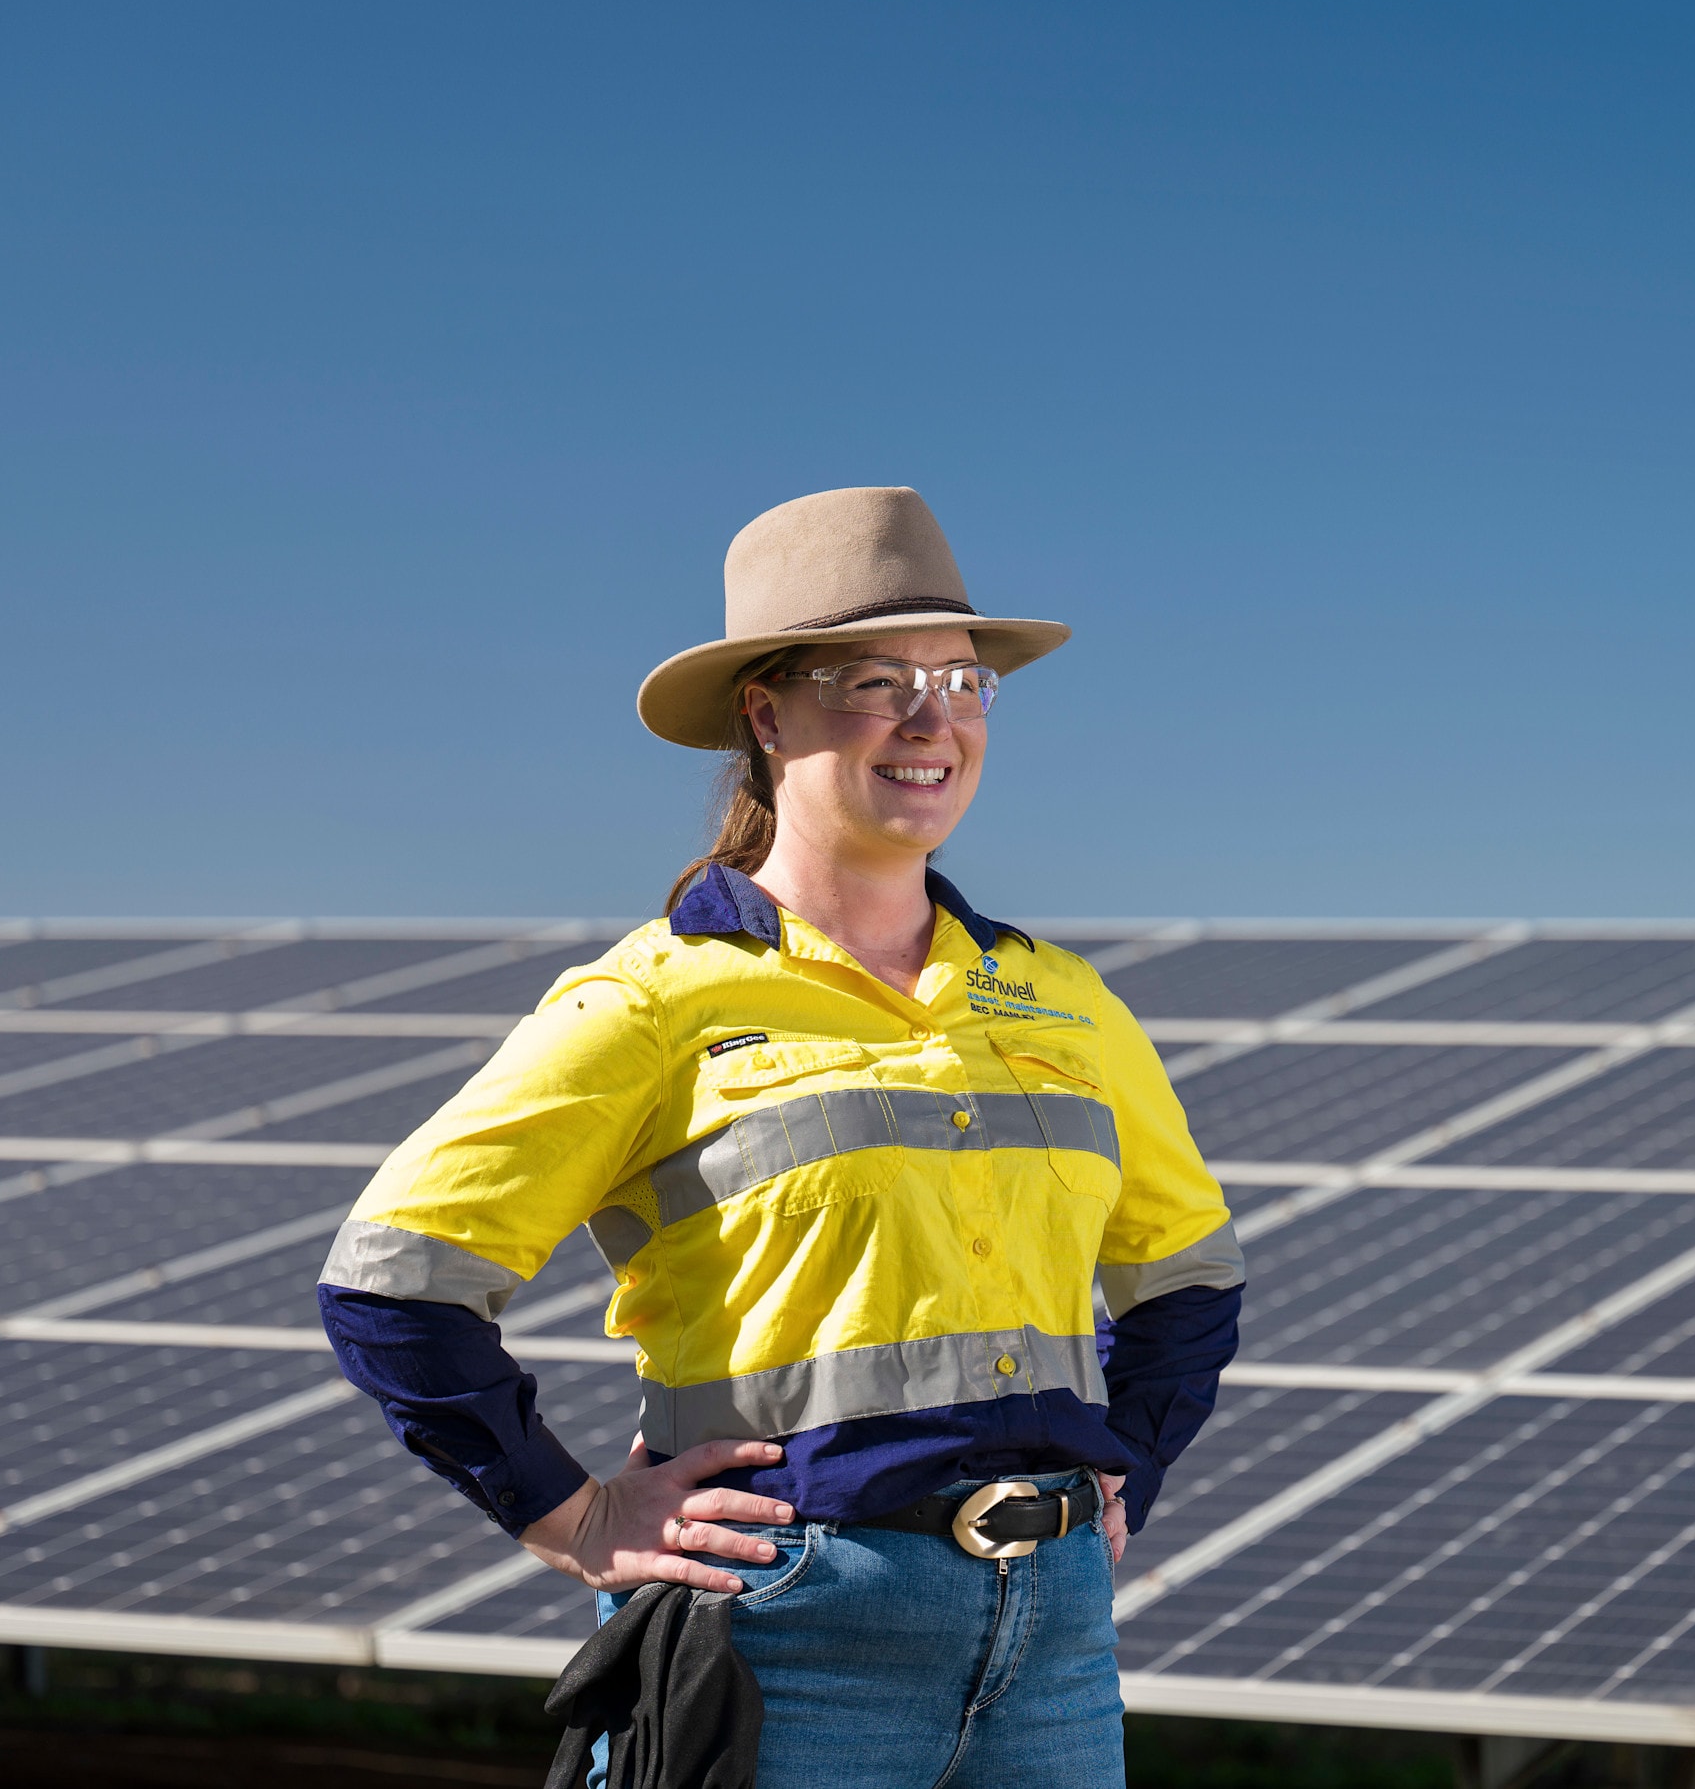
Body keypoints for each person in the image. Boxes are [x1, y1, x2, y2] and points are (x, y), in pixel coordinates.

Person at [318, 486, 1244, 1789]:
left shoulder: (1065, 1001)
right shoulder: (655, 999)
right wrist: (577, 1518)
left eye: (964, 679)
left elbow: (1191, 1276)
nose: (934, 720)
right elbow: (394, 1283)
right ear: (766, 711)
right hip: (791, 1632)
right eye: (876, 679)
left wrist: (1126, 1473)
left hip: (1057, 1650)